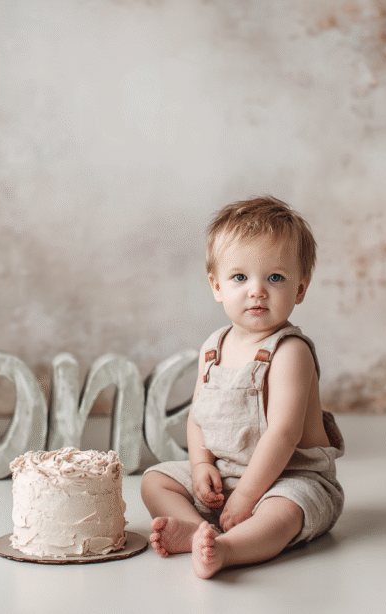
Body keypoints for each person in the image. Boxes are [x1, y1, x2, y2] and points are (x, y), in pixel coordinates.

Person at [141, 196, 344, 579]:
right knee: (156, 480)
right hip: (227, 478)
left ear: (300, 289)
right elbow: (197, 417)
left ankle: (228, 549)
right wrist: (201, 466)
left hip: (288, 479)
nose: (257, 291)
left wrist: (249, 496)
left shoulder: (290, 352)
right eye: (240, 277)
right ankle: (194, 528)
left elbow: (284, 434)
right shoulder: (213, 348)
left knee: (284, 513)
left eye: (275, 277)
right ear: (216, 286)